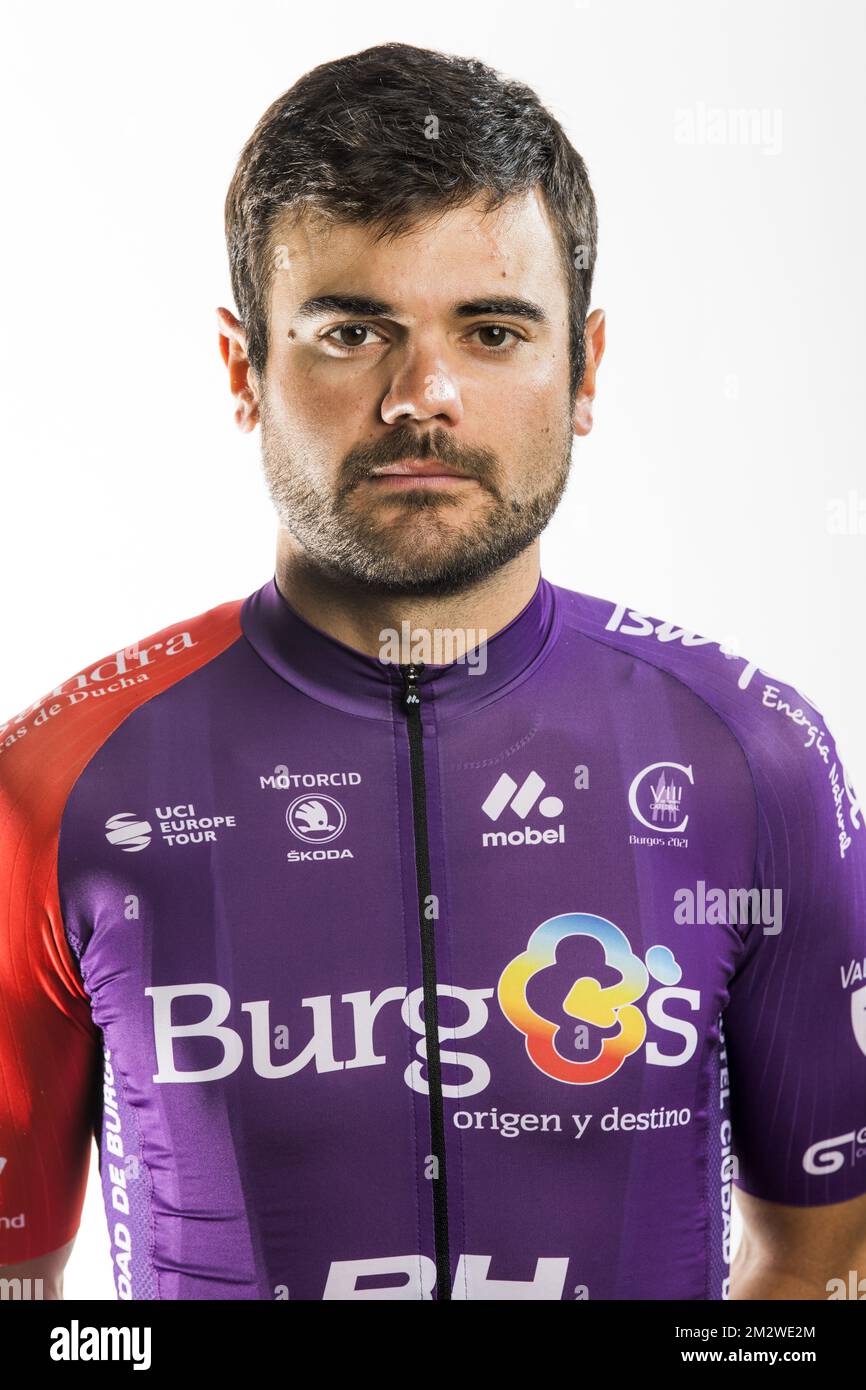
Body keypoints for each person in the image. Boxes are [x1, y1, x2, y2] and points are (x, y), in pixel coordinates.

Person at [1, 41, 864, 1302]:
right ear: (244, 370)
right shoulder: (57, 777)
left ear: (586, 371)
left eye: (493, 328)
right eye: (353, 329)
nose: (424, 395)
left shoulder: (755, 757)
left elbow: (823, 1266)